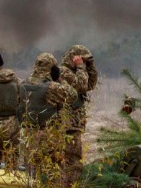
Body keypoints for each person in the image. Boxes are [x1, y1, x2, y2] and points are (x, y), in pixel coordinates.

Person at [19, 52, 78, 181]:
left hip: (28, 135)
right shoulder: (52, 87)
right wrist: (60, 79)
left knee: (30, 172)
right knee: (51, 173)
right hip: (49, 135)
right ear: (52, 68)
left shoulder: (22, 84)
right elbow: (72, 96)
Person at [58, 45, 98, 186]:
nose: (83, 63)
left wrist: (90, 67)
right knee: (72, 159)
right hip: (67, 122)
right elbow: (81, 86)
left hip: (74, 122)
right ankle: (70, 184)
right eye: (82, 60)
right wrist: (81, 67)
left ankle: (71, 183)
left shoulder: (77, 72)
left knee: (73, 158)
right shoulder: (63, 71)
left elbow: (90, 85)